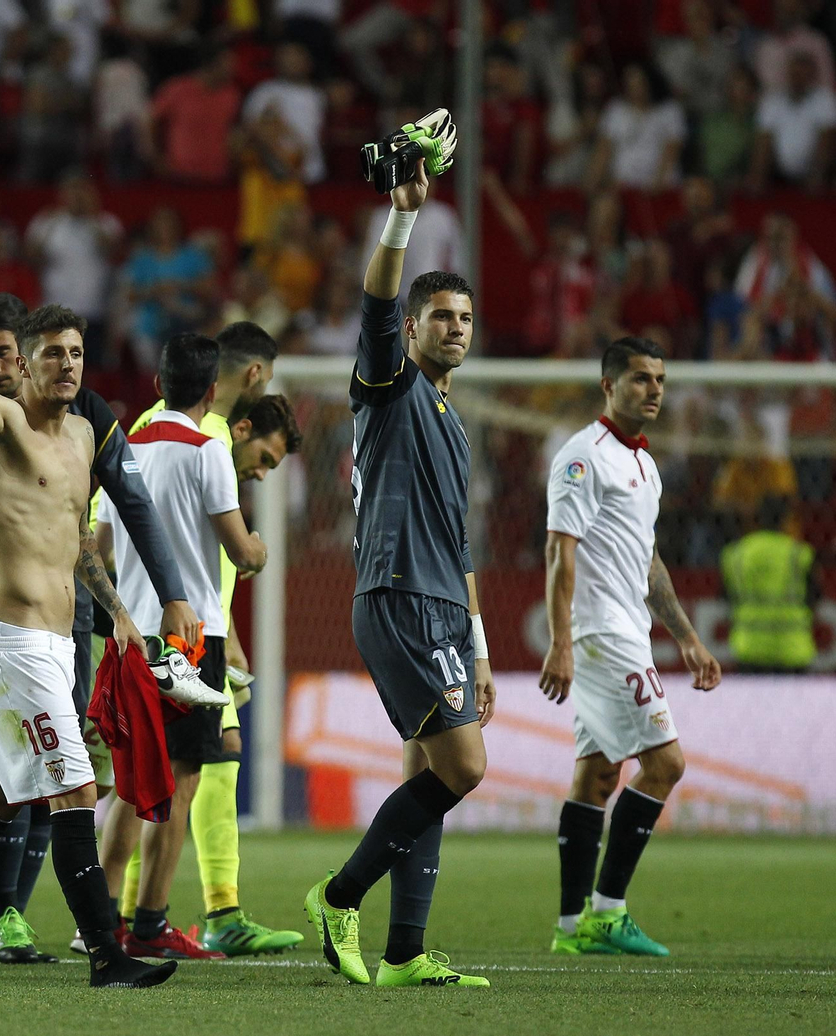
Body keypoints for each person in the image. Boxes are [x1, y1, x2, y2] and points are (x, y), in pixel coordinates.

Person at [0, 292, 197, 964]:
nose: (68, 365)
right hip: (12, 641)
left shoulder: (82, 435)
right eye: (53, 354)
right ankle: (109, 956)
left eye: (76, 353)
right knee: (74, 787)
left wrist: (119, 612)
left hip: (60, 639)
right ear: (23, 362)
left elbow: (76, 541)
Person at [303, 154, 496, 989]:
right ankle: (338, 896)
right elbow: (377, 298)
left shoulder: (453, 421)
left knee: (428, 770)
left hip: (444, 605)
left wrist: (480, 645)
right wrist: (404, 217)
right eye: (440, 316)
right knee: (467, 768)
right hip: (399, 597)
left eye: (464, 317)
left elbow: (459, 544)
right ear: (413, 330)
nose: (454, 328)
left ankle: (407, 950)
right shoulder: (389, 384)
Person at [114, 323, 304, 958]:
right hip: (192, 634)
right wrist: (260, 550)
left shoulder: (128, 444)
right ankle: (150, 922)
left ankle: (106, 921)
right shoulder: (207, 447)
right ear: (218, 386)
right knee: (183, 778)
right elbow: (239, 549)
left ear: (161, 382)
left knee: (131, 782)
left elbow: (102, 541)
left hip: (133, 625)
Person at [540, 337, 723, 957]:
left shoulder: (645, 468)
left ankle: (571, 928)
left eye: (661, 380)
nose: (654, 390)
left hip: (626, 631)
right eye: (640, 378)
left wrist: (688, 638)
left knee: (597, 775)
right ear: (608, 385)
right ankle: (608, 912)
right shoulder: (583, 457)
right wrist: (561, 643)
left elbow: (647, 563)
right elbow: (558, 551)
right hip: (599, 637)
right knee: (666, 764)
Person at [721, 495, 816, 673]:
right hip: (792, 650)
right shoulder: (798, 553)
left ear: (757, 517)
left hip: (749, 648)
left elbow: (726, 596)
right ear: (786, 519)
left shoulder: (737, 553)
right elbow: (814, 596)